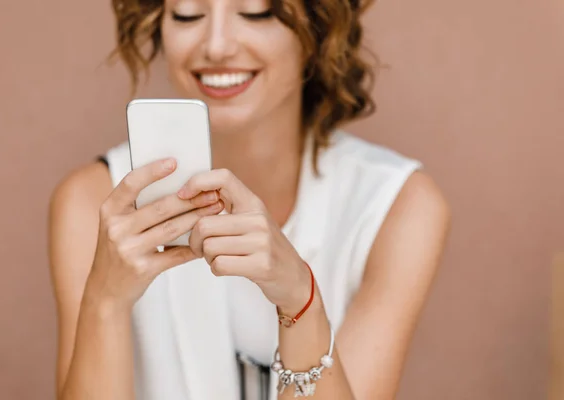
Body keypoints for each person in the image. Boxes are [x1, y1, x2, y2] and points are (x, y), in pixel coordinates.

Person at [48, 0, 451, 399]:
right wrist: (105, 302)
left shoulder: (395, 207)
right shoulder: (92, 203)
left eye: (257, 11)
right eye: (188, 14)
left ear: (317, 28)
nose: (217, 46)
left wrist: (301, 301)